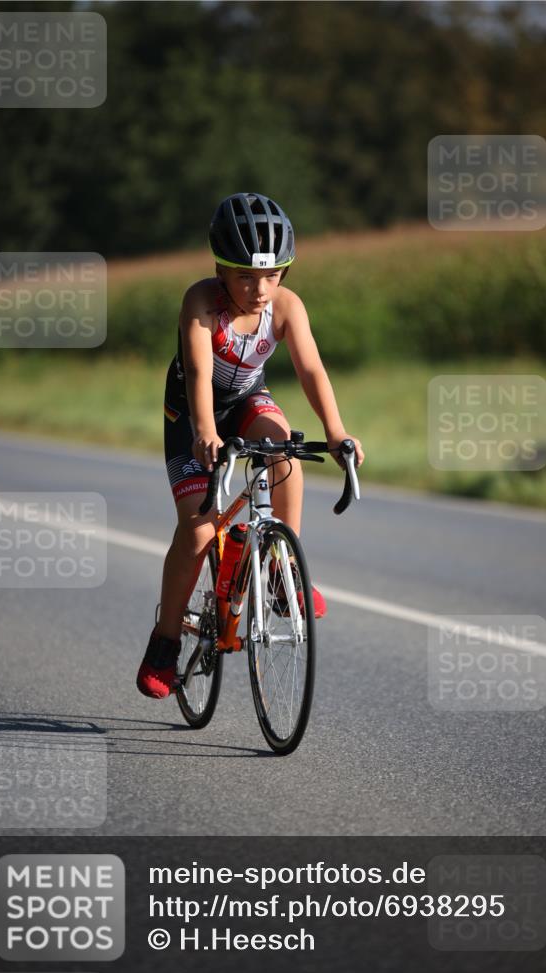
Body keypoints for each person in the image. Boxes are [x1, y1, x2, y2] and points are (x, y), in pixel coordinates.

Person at [137, 192, 364, 698]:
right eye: (245, 276)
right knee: (198, 532)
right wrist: (203, 432)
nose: (260, 289)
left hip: (246, 399)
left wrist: (336, 430)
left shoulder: (285, 306)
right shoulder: (200, 301)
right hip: (193, 414)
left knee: (286, 456)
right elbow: (198, 372)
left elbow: (311, 368)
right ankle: (166, 641)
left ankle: (282, 575)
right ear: (220, 267)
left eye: (272, 274)